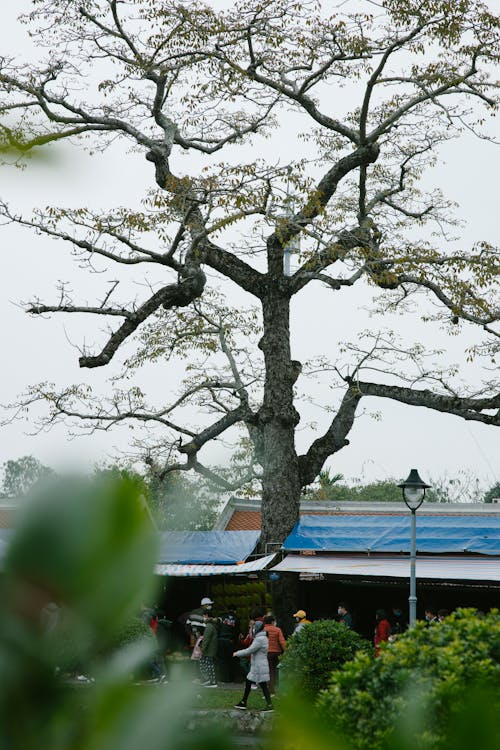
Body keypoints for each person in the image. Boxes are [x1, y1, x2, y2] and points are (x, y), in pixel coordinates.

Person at [233, 621, 273, 712]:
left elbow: (250, 650)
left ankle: (245, 702)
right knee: (254, 683)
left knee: (259, 685)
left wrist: (237, 653)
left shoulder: (260, 639)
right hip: (258, 666)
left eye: (254, 627)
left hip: (259, 666)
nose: (253, 629)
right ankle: (244, 702)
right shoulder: (262, 638)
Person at [263, 614, 286, 694]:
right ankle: (279, 687)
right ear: (272, 621)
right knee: (277, 671)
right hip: (277, 653)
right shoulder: (277, 630)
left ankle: (271, 689)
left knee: (270, 671)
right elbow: (282, 642)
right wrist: (286, 651)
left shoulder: (263, 630)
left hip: (267, 653)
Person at [217, 604, 239, 683]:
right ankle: (231, 679)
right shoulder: (236, 618)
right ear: (235, 610)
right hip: (230, 641)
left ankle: (223, 679)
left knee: (222, 660)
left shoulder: (221, 616)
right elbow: (237, 631)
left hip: (220, 640)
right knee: (231, 659)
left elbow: (218, 627)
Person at [199, 615, 218, 687]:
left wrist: (202, 649)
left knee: (208, 665)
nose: (203, 618)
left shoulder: (209, 627)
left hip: (208, 650)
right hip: (210, 650)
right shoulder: (211, 626)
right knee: (206, 665)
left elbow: (206, 639)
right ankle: (208, 680)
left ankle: (212, 682)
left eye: (204, 616)